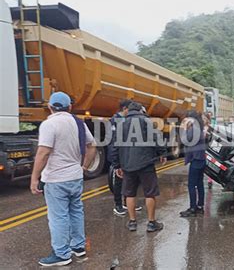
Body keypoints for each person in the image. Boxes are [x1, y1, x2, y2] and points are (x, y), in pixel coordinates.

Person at [30, 92, 96, 267]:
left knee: (58, 216)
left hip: (56, 179)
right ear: (70, 107)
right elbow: (92, 146)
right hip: (75, 177)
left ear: (50, 107)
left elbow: (43, 153)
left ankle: (61, 254)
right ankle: (78, 247)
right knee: (76, 212)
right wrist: (84, 167)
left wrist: (34, 178)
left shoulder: (49, 124)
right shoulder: (79, 123)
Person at [110, 101, 167, 232]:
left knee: (129, 194)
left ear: (128, 111)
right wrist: (162, 153)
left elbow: (114, 147)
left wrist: (117, 165)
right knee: (150, 194)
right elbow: (157, 138)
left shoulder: (120, 124)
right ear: (140, 110)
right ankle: (152, 223)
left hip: (127, 164)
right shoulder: (146, 121)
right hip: (146, 163)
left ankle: (132, 222)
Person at [107, 99, 142, 216]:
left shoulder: (127, 120)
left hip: (128, 156)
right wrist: (115, 160)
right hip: (119, 156)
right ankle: (118, 205)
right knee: (118, 182)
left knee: (130, 181)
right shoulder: (115, 121)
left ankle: (128, 203)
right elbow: (113, 141)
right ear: (125, 109)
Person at [180, 110, 207, 217]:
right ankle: (200, 206)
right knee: (199, 184)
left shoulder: (194, 129)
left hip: (196, 160)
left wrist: (185, 128)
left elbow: (185, 140)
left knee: (191, 185)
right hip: (201, 159)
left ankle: (192, 208)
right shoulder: (199, 127)